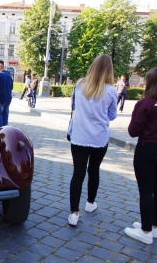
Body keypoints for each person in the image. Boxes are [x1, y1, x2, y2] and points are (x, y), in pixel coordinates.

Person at [67, 54, 118, 226]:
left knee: (78, 173)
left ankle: (74, 213)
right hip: (99, 138)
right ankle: (90, 203)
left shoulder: (79, 85)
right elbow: (112, 116)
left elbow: (73, 107)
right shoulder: (111, 91)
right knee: (94, 170)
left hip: (79, 136)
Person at [124, 67, 157, 245]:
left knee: (146, 191)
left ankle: (145, 231)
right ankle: (153, 225)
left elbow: (133, 131)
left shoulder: (145, 104)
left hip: (147, 149)